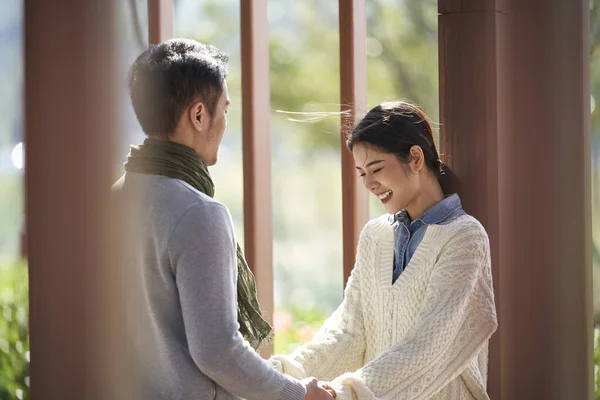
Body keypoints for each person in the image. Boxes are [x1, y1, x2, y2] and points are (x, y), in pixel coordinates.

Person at [111, 38, 333, 400]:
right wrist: (298, 394)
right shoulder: (199, 214)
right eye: (225, 109)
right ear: (199, 115)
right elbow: (218, 351)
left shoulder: (112, 200)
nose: (226, 121)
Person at [270, 101, 498, 400]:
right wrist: (278, 376)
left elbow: (430, 344)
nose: (369, 184)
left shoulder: (464, 237)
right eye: (361, 173)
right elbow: (348, 333)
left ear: (415, 158)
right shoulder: (375, 236)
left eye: (376, 169)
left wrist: (345, 394)